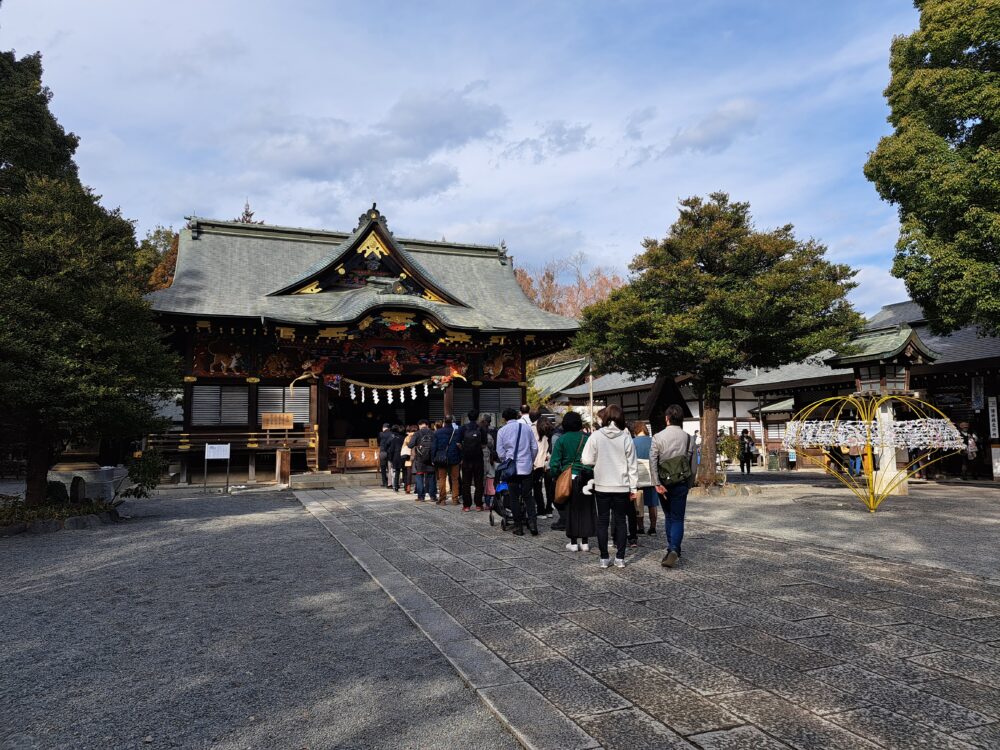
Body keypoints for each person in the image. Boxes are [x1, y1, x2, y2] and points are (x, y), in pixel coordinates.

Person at [581, 404, 638, 568]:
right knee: (621, 521)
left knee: (602, 522)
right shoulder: (626, 437)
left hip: (602, 485)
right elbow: (632, 465)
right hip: (621, 486)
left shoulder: (596, 436)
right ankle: (620, 558)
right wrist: (633, 488)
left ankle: (604, 558)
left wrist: (598, 461)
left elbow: (586, 459)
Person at [650, 404, 695, 568]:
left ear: (667, 418)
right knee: (678, 518)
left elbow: (653, 462)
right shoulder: (689, 438)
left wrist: (656, 483)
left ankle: (672, 548)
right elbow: (692, 464)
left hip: (664, 483)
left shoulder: (657, 437)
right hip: (681, 482)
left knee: (669, 516)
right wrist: (689, 483)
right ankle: (674, 548)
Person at [550, 410, 593, 551]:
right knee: (586, 509)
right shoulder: (587, 438)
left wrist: (555, 475)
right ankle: (585, 542)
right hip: (587, 477)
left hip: (569, 477)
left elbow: (554, 463)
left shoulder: (562, 439)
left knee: (571, 510)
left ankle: (574, 542)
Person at [496, 406, 539, 536]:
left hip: (511, 470)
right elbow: (534, 447)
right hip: (526, 467)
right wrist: (530, 460)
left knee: (513, 497)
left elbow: (500, 452)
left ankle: (518, 526)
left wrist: (507, 461)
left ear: (504, 419)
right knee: (528, 496)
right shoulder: (526, 428)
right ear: (517, 416)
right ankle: (532, 524)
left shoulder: (502, 431)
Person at [631, 421, 659, 536]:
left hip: (638, 477)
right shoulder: (654, 441)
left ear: (635, 430)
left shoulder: (632, 442)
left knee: (638, 503)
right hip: (652, 477)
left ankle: (641, 527)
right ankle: (653, 528)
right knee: (653, 504)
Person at [459, 410, 486, 512]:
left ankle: (466, 506)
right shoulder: (481, 428)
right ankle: (478, 505)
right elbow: (484, 444)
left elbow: (458, 443)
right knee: (479, 482)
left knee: (466, 482)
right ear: (478, 417)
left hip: (466, 459)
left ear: (468, 417)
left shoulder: (463, 428)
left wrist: (465, 449)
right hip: (478, 458)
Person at [433, 415, 462, 505]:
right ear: (453, 421)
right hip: (454, 457)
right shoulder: (457, 432)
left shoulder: (437, 432)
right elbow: (460, 445)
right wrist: (461, 457)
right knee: (455, 479)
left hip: (441, 458)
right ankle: (455, 499)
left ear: (444, 421)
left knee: (442, 478)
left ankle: (442, 500)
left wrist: (433, 458)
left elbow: (434, 447)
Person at [407, 419, 437, 502]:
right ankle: (433, 497)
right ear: (427, 425)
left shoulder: (417, 433)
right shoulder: (432, 433)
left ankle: (421, 497)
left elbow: (410, 445)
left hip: (420, 460)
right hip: (431, 460)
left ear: (419, 426)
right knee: (431, 478)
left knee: (419, 477)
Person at [532, 417, 553, 518]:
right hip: (547, 464)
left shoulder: (535, 435)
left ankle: (541, 511)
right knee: (549, 489)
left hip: (537, 465)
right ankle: (549, 509)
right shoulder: (547, 436)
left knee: (537, 489)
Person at [481, 415, 497, 509]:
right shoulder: (495, 431)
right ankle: (491, 501)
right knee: (491, 479)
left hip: (482, 458)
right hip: (491, 458)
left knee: (483, 480)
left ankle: (484, 500)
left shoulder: (480, 431)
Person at [387, 425, 404, 491]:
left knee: (397, 471)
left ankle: (396, 486)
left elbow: (391, 450)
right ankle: (406, 486)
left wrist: (390, 458)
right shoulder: (404, 438)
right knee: (405, 471)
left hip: (396, 456)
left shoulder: (394, 439)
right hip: (404, 456)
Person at [401, 424, 417, 493]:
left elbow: (404, 446)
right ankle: (417, 488)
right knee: (417, 473)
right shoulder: (418, 436)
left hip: (408, 457)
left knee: (408, 474)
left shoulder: (407, 437)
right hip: (416, 456)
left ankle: (408, 488)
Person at [377, 423, 393, 487]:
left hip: (383, 452)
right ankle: (390, 482)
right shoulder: (392, 434)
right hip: (389, 452)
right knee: (390, 468)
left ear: (383, 428)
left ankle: (384, 482)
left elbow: (378, 441)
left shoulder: (381, 434)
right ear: (389, 428)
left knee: (383, 468)